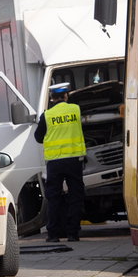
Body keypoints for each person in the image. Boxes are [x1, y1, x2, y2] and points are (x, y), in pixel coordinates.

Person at [34, 82, 86, 243]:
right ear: (66, 96)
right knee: (75, 196)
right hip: (74, 160)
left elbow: (38, 137)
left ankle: (53, 234)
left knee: (54, 197)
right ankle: (73, 233)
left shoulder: (47, 115)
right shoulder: (76, 110)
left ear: (51, 98)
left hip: (55, 162)